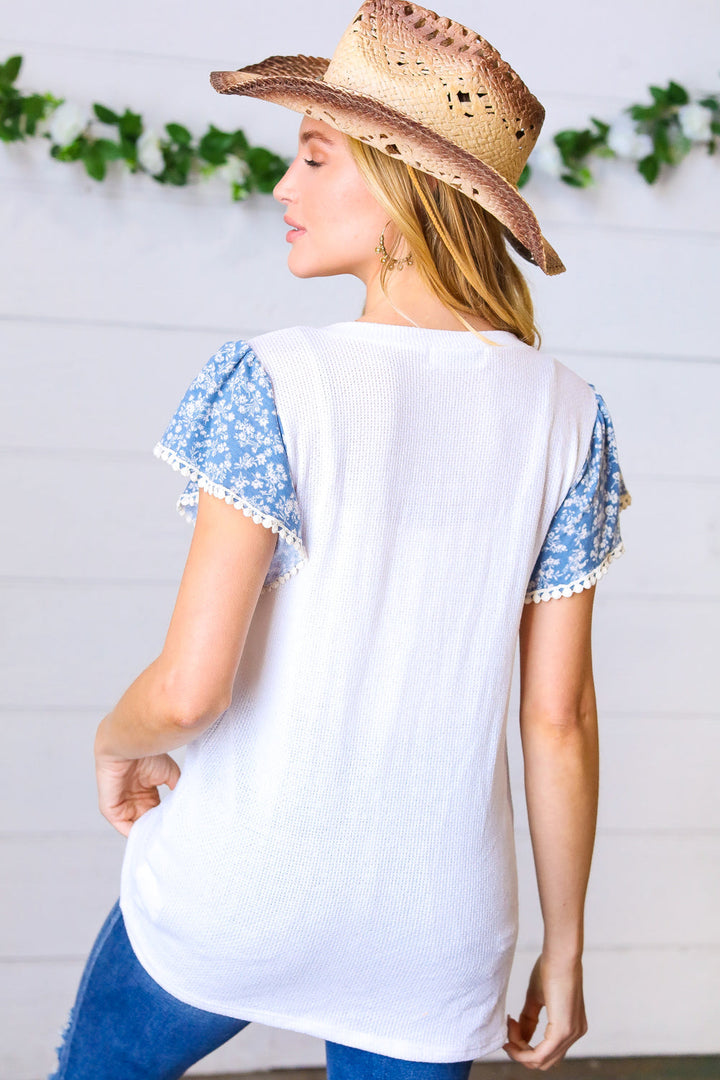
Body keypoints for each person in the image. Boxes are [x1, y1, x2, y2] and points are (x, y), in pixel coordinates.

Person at [49, 2, 632, 1078]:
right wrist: (567, 944)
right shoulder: (569, 416)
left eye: (316, 158)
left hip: (235, 894)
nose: (284, 188)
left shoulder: (279, 381)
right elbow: (557, 719)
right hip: (430, 939)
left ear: (406, 192)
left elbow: (188, 693)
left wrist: (113, 744)